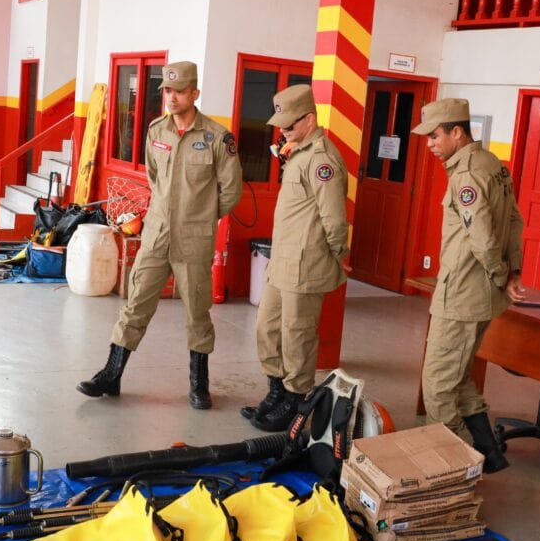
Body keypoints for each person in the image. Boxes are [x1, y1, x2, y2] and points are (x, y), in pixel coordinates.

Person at [77, 61, 242, 409]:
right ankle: (111, 374)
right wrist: (167, 215)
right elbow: (155, 178)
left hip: (193, 241)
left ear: (194, 93)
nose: (171, 97)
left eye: (179, 91)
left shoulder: (216, 137)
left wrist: (199, 218)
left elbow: (231, 191)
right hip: (155, 235)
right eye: (167, 90)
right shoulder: (156, 131)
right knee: (135, 303)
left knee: (197, 310)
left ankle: (199, 384)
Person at [412, 98, 524, 474]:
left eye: (435, 135)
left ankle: (455, 468)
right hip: (481, 294)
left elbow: (485, 239)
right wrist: (512, 273)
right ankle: (491, 454)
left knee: (437, 387)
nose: (429, 143)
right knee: (459, 377)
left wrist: (500, 273)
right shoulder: (492, 164)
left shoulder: (466, 175)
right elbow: (514, 222)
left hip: (462, 292)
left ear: (457, 133)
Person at [242, 85, 349, 431]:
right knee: (268, 328)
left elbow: (334, 218)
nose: (283, 130)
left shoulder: (322, 160)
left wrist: (339, 255)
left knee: (297, 334)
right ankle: (276, 391)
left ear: (310, 119)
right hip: (282, 260)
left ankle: (296, 402)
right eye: (281, 124)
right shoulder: (299, 152)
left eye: (289, 123)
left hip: (307, 263)